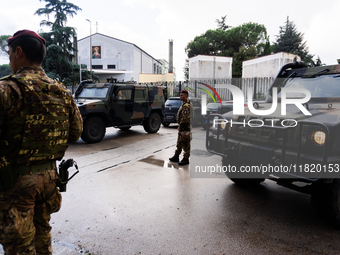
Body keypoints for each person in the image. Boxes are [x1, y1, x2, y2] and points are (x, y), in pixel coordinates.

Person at [0, 30, 83, 254]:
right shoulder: (62, 92)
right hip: (48, 179)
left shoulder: (7, 89)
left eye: (9, 53)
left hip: (15, 183)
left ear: (19, 52)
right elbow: (76, 132)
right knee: (43, 234)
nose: (9, 58)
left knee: (20, 245)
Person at [169, 90, 193, 165]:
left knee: (185, 143)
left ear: (186, 96)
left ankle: (186, 159)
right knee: (179, 142)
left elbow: (185, 118)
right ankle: (176, 156)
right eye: (180, 95)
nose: (180, 96)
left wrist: (180, 126)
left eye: (182, 95)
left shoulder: (186, 106)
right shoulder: (184, 104)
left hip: (185, 127)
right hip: (183, 128)